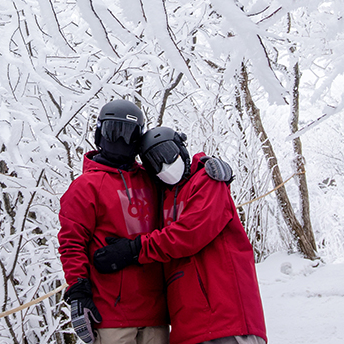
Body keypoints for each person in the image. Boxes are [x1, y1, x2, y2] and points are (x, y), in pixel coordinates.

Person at [93, 127, 267, 344]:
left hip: (226, 320)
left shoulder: (207, 181)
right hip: (187, 327)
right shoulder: (163, 198)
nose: (164, 166)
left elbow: (189, 233)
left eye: (167, 154)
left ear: (181, 148)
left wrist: (134, 249)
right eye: (154, 163)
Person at [58, 100, 169, 344]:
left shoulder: (152, 180)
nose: (120, 141)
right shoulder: (85, 187)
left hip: (156, 312)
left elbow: (182, 179)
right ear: (100, 134)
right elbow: (71, 242)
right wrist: (78, 290)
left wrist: (206, 167)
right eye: (113, 132)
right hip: (111, 313)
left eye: (128, 134)